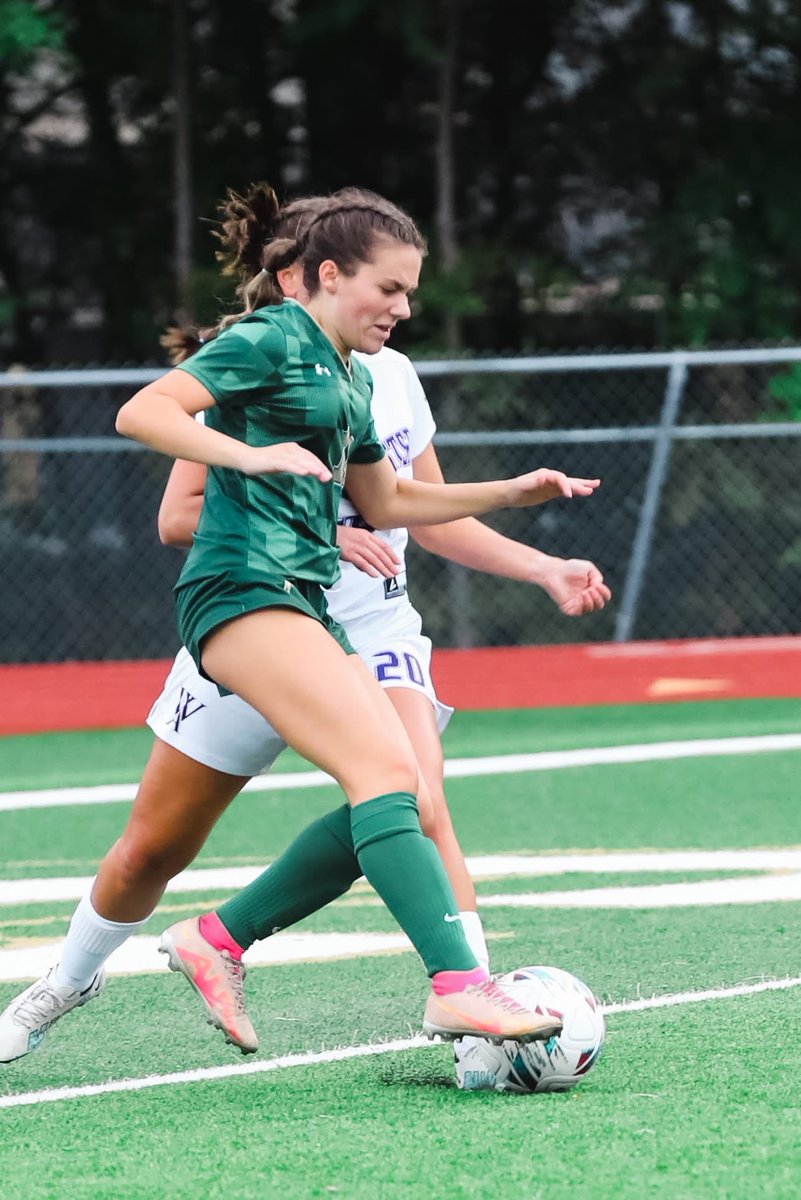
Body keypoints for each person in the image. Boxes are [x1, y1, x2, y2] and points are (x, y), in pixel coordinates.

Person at [0, 184, 601, 1064]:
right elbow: (143, 413)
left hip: (305, 608)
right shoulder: (270, 337)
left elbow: (389, 499)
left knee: (395, 789)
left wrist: (513, 491)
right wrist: (252, 455)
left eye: (409, 292)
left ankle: (230, 940)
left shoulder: (356, 378)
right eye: (389, 289)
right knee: (188, 840)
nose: (404, 308)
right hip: (242, 594)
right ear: (324, 275)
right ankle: (72, 981)